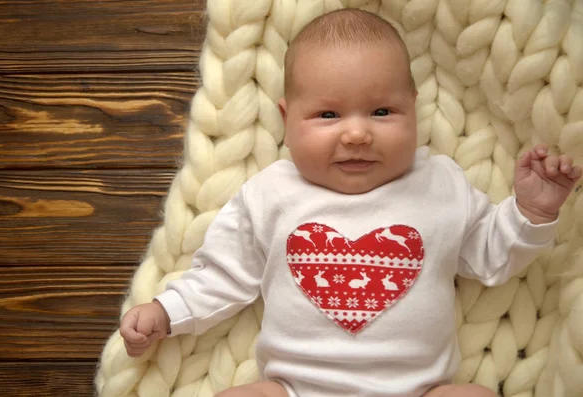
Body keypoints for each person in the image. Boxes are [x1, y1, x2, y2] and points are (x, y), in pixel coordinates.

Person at [119, 9, 582, 397]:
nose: (357, 133)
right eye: (328, 114)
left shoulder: (441, 185)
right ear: (287, 119)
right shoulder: (270, 194)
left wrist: (532, 213)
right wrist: (166, 313)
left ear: (413, 107)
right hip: (295, 387)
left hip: (420, 389)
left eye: (382, 112)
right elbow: (221, 275)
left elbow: (492, 257)